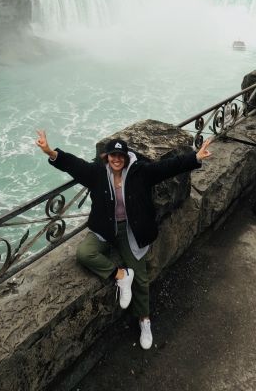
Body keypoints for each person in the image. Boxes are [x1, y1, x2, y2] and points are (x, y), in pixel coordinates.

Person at [35, 129, 212, 350]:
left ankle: (145, 321)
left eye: (120, 156)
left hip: (131, 230)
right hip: (105, 229)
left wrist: (195, 157)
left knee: (141, 277)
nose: (116, 159)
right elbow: (74, 165)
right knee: (84, 254)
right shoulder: (98, 174)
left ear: (126, 157)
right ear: (106, 157)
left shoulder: (140, 172)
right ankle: (120, 275)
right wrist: (49, 151)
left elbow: (167, 167)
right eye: (112, 156)